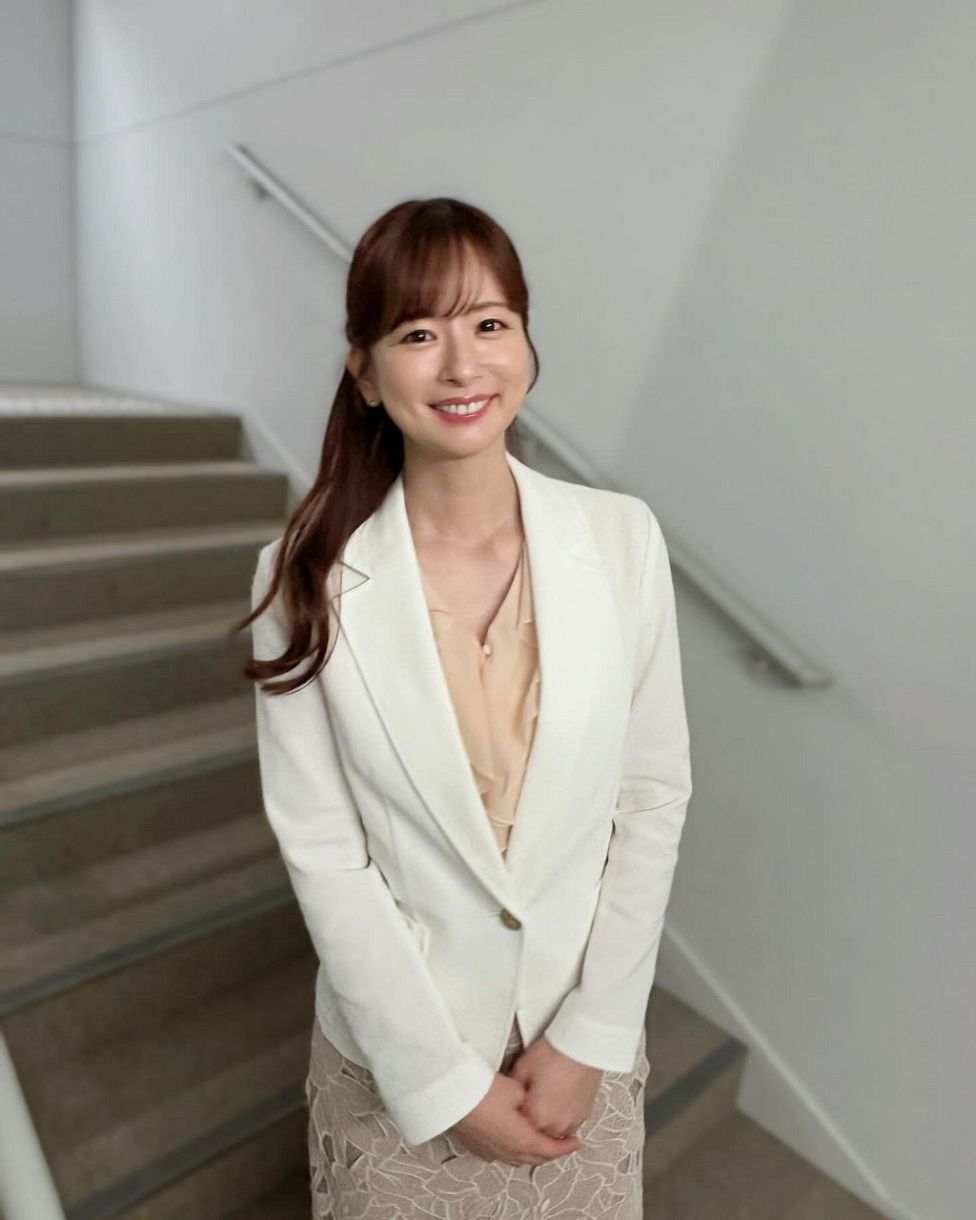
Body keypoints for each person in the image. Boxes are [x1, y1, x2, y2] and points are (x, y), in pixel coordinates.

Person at [240, 197, 693, 1219]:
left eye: (489, 322)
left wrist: (591, 1032)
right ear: (365, 372)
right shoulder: (303, 576)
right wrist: (441, 1081)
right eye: (417, 333)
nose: (460, 365)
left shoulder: (621, 539)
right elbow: (322, 848)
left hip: (578, 1049)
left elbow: (652, 796)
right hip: (397, 1063)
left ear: (526, 344)